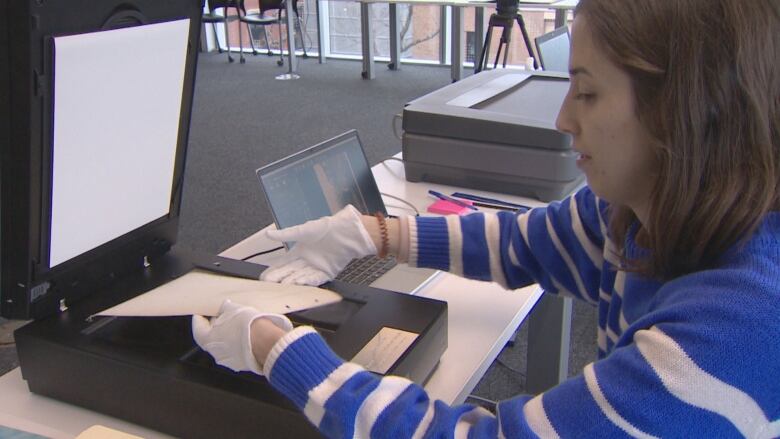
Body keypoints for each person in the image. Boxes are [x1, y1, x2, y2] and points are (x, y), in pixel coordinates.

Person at [191, 0, 780, 436]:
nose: (563, 121)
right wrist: (375, 234)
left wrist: (277, 348)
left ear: (684, 108)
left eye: (588, 93)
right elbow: (528, 244)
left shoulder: (729, 336)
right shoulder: (643, 212)